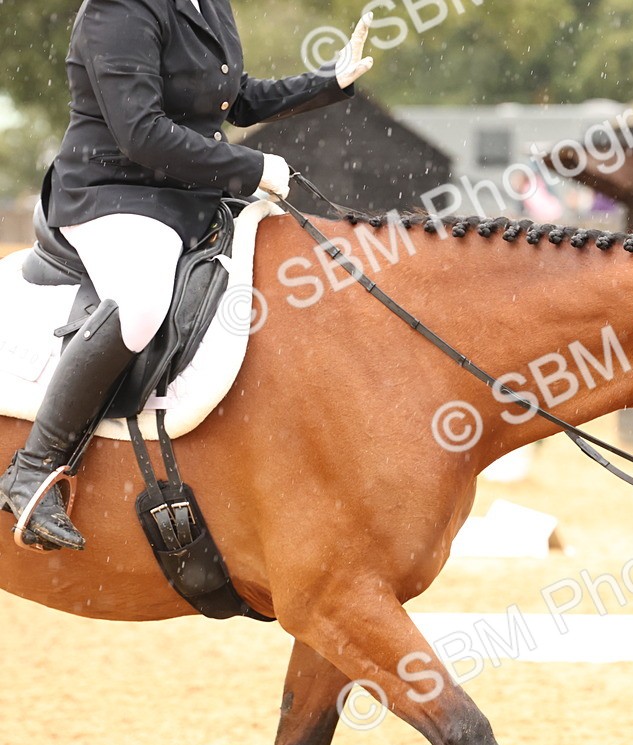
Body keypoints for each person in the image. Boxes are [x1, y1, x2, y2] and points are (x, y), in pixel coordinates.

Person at [0, 0, 375, 552]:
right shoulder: (117, 9)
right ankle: (33, 466)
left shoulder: (209, 4)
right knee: (143, 302)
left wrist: (328, 82)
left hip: (188, 192)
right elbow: (142, 133)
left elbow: (235, 99)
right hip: (113, 193)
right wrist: (252, 168)